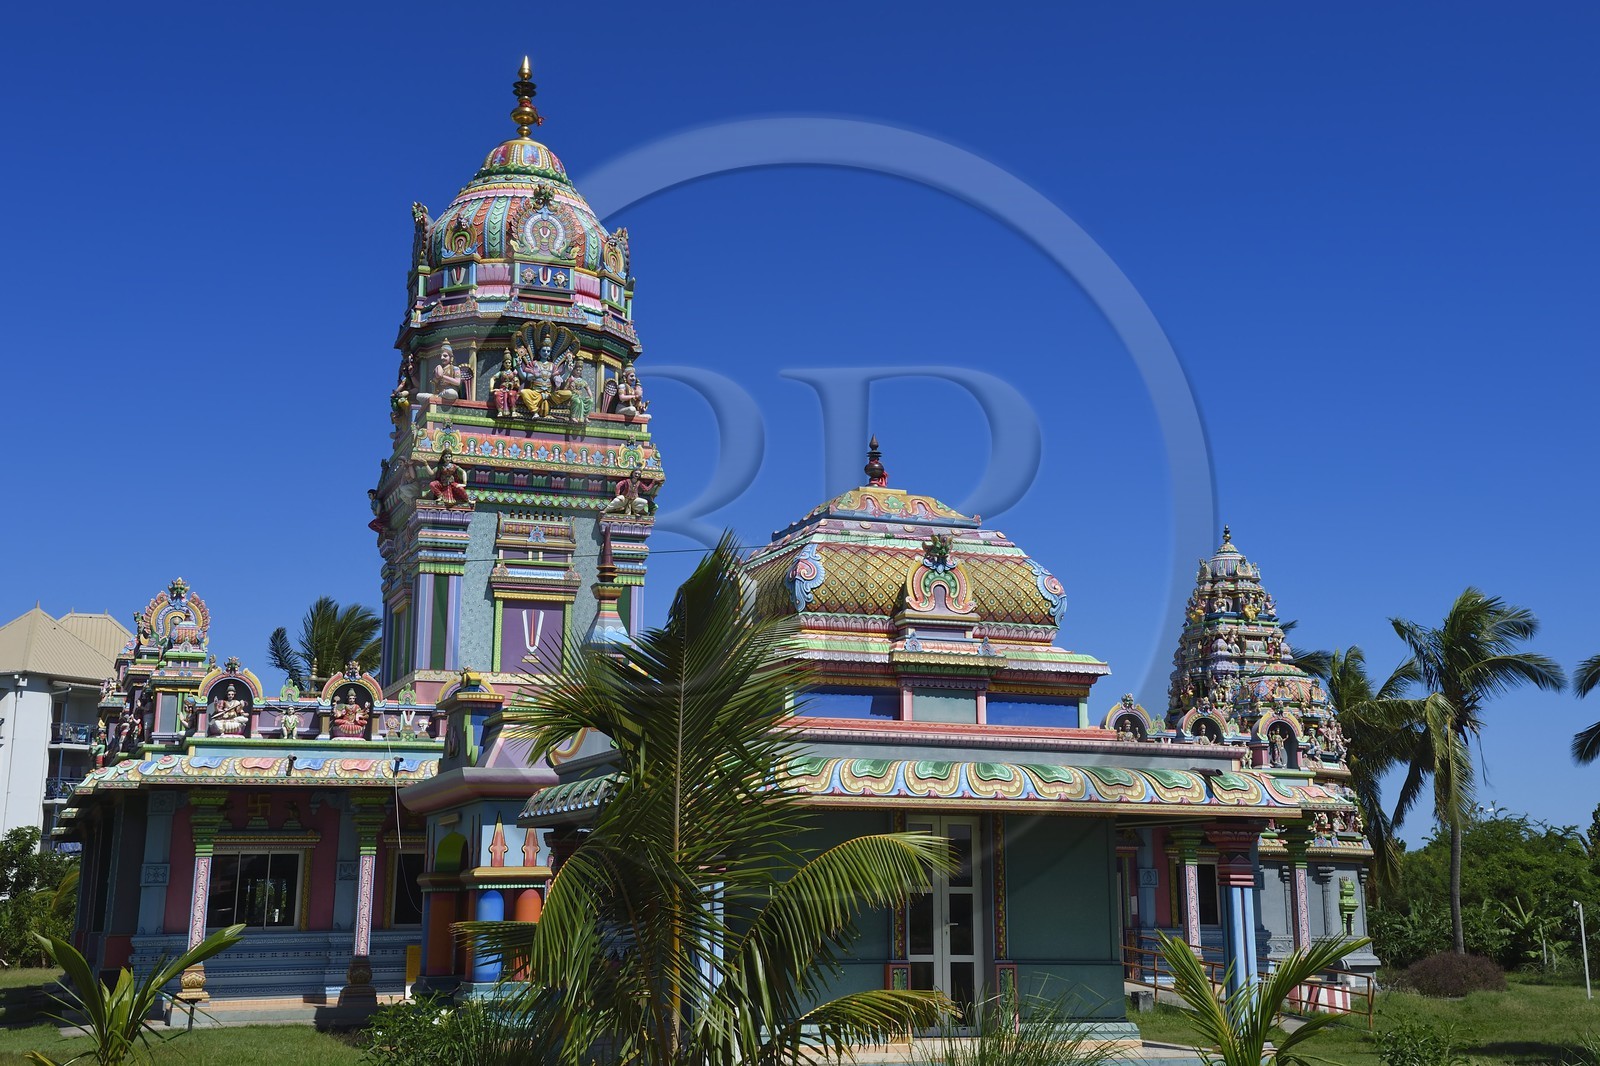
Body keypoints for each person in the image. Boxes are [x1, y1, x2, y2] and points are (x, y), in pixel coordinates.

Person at [490, 350, 521, 417]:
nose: (507, 364)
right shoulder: (501, 372)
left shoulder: (513, 373)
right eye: (506, 363)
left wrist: (515, 383)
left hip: (510, 389)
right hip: (502, 389)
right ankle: (500, 411)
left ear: (511, 364)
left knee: (511, 394)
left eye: (509, 362)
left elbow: (518, 385)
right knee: (496, 394)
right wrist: (491, 388)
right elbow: (492, 378)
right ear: (503, 364)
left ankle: (513, 411)